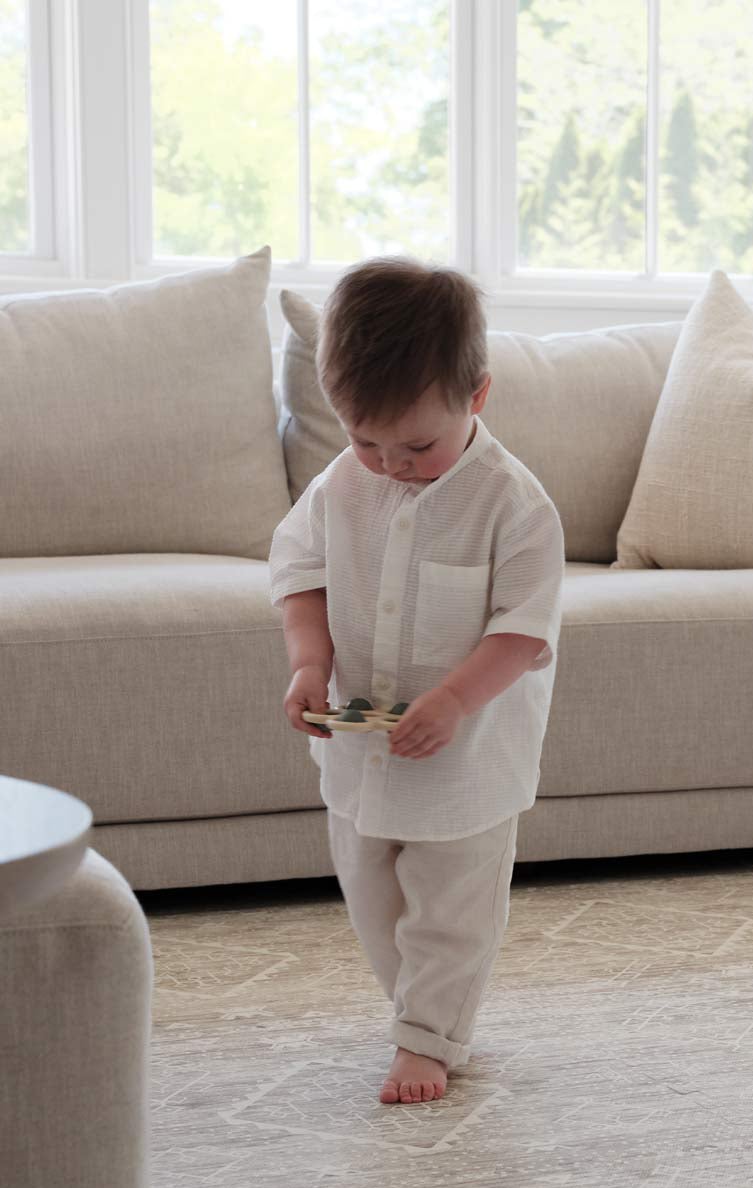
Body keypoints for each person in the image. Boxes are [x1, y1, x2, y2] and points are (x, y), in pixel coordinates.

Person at [268, 257, 562, 1105]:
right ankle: (416, 1009)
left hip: (468, 756)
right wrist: (309, 663)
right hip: (362, 754)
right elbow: (301, 572)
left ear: (477, 397)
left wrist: (455, 699)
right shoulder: (341, 485)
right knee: (371, 892)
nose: (389, 463)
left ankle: (430, 1036)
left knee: (451, 903)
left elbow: (521, 628)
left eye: (417, 446)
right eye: (365, 441)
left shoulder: (515, 505)